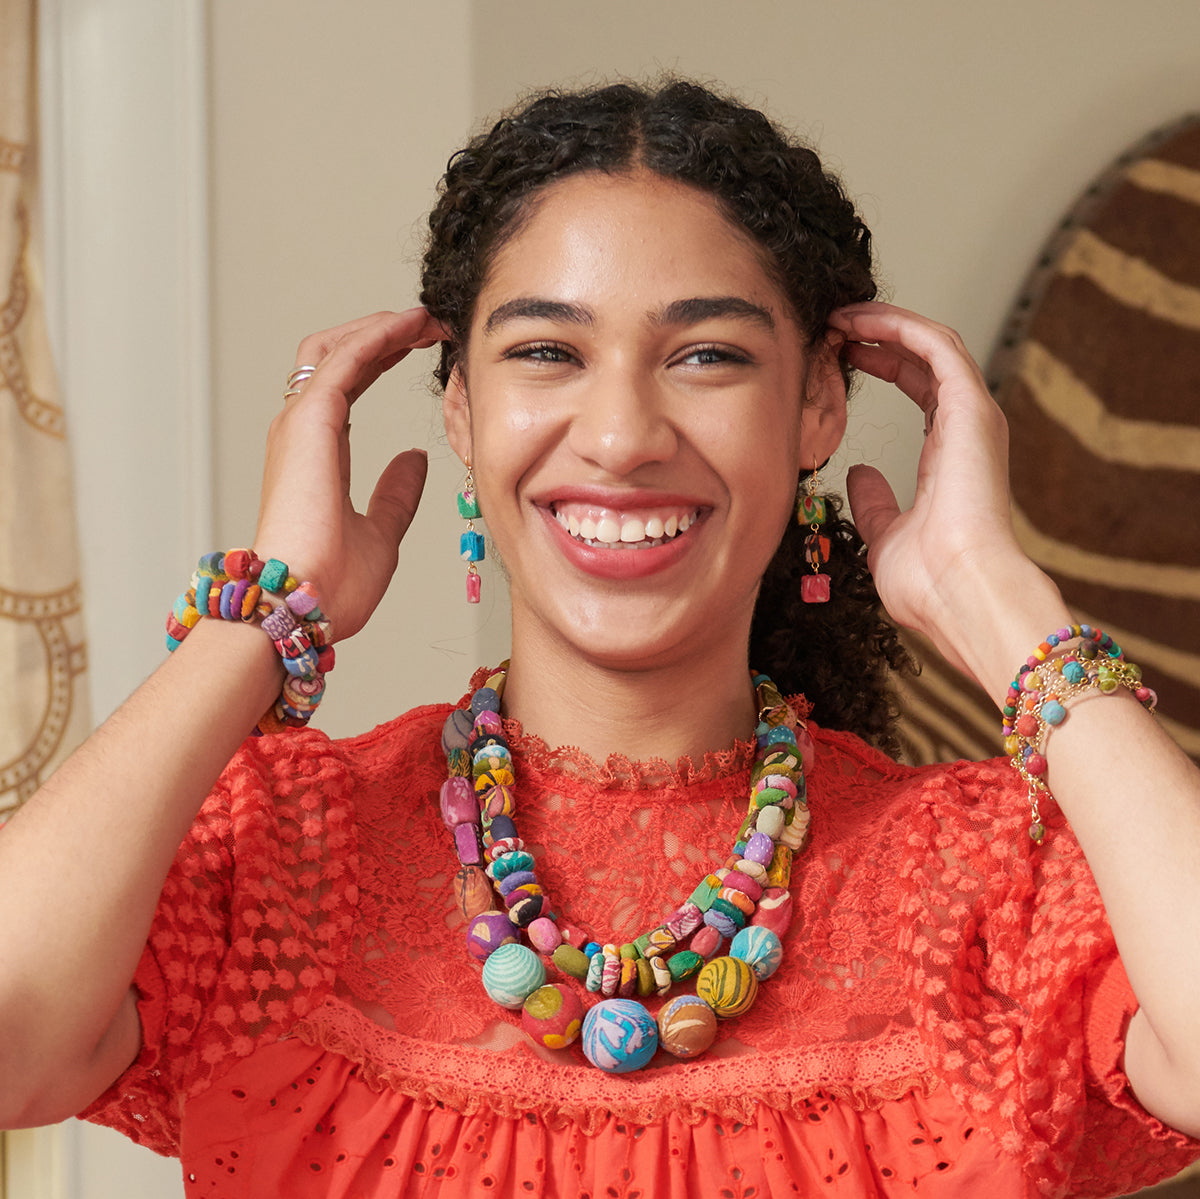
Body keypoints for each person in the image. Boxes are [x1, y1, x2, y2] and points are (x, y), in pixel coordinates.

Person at [2, 78, 1198, 1198]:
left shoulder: (985, 885)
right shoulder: (279, 857)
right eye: (545, 352)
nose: (622, 434)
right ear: (459, 407)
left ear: (820, 404)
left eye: (709, 355)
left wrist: (996, 606)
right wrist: (267, 611)